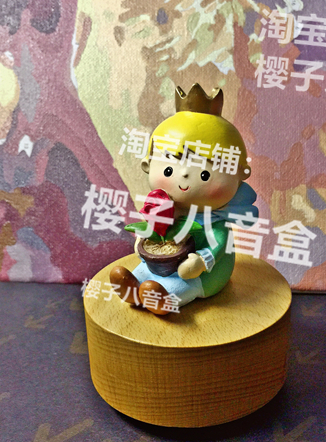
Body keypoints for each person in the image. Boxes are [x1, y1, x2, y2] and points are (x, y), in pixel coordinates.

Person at [110, 84, 258, 314]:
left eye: (205, 175)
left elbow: (218, 244)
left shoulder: (213, 220)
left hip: (203, 274)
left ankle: (163, 300)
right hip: (161, 264)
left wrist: (201, 261)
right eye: (169, 170)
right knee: (144, 271)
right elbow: (151, 229)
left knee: (182, 284)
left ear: (239, 176)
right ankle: (134, 288)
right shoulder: (165, 209)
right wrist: (143, 240)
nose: (185, 179)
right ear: (148, 165)